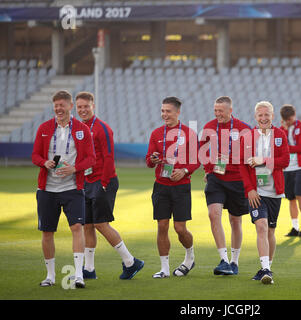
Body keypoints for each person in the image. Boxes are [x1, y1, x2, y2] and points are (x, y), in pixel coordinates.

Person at [75, 92, 144, 280]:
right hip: (87, 182)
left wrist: (104, 182)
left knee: (100, 224)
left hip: (102, 181)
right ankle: (89, 269)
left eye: (86, 106)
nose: (82, 110)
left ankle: (131, 262)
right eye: (79, 107)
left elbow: (108, 156)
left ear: (93, 106)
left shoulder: (102, 128)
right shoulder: (79, 129)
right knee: (87, 225)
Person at [31, 90, 96, 288]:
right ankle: (50, 276)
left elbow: (91, 158)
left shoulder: (82, 129)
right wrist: (45, 162)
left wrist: (74, 168)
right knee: (47, 231)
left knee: (77, 228)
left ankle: (78, 275)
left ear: (70, 106)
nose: (59, 109)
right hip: (47, 189)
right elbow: (34, 156)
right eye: (56, 105)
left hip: (72, 188)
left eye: (62, 105)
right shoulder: (43, 128)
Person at [146, 97, 200, 278]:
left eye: (168, 111)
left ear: (177, 112)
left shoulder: (189, 133)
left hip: (181, 187)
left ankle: (190, 257)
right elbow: (148, 161)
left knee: (179, 228)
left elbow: (197, 160)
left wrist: (184, 171)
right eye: (162, 111)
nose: (164, 115)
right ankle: (164, 269)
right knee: (162, 226)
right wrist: (152, 159)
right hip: (161, 186)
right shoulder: (156, 133)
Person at [239, 101, 290, 284]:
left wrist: (264, 160)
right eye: (260, 115)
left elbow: (285, 160)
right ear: (255, 117)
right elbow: (243, 166)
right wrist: (250, 189)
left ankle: (267, 268)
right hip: (256, 192)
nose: (263, 118)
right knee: (261, 225)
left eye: (266, 114)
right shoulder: (248, 137)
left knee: (270, 230)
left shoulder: (280, 135)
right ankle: (266, 269)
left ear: (272, 116)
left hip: (274, 192)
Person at [200, 96, 251, 276]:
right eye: (215, 110)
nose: (217, 114)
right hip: (216, 178)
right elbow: (202, 148)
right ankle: (223, 259)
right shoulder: (208, 127)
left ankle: (234, 262)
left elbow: (251, 154)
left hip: (238, 180)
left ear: (230, 110)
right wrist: (207, 169)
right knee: (213, 214)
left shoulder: (244, 128)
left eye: (220, 111)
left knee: (235, 221)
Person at [279, 104, 301, 237]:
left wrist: (287, 147)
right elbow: (280, 146)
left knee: (299, 195)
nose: (288, 122)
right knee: (290, 198)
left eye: (290, 119)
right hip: (287, 167)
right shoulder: (282, 129)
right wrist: (285, 130)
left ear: (294, 116)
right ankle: (294, 227)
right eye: (286, 120)